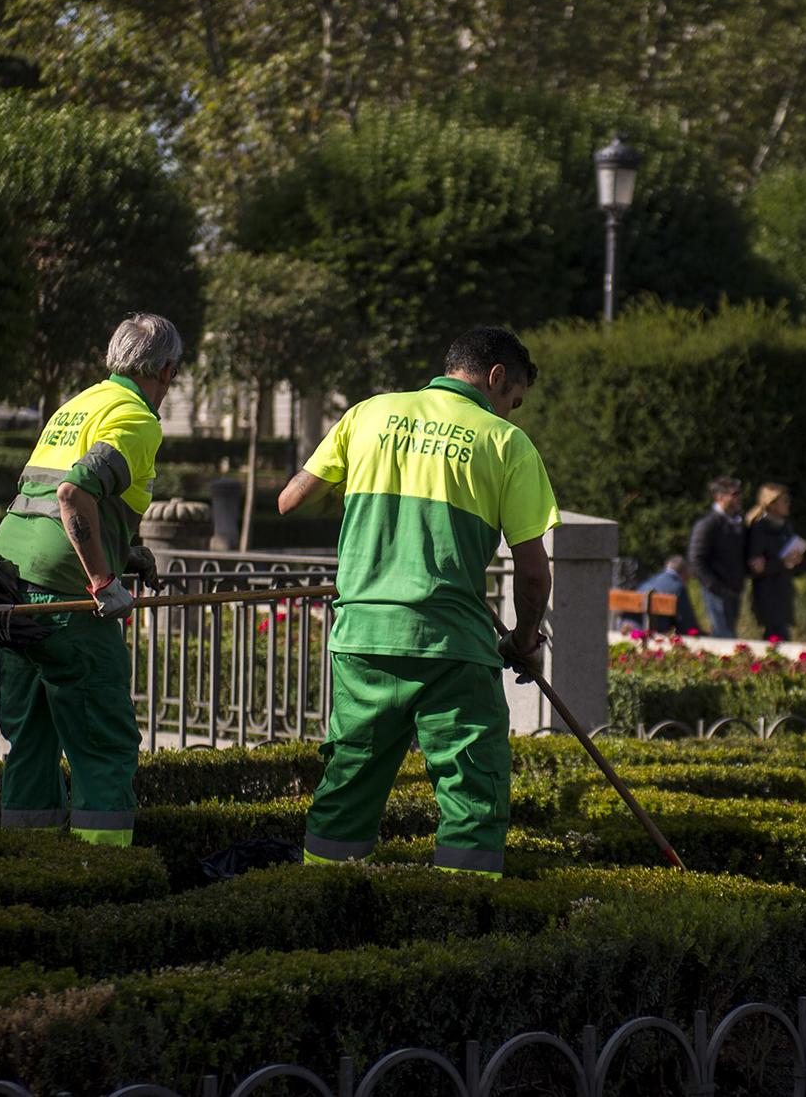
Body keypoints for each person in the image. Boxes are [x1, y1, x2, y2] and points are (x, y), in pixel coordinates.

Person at [278, 326, 559, 878]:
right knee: (473, 792)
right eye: (513, 401)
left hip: (363, 637)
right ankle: (459, 920)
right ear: (496, 377)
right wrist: (525, 641)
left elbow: (290, 501)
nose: (511, 413)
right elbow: (531, 574)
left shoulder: (368, 414)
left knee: (350, 780)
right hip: (454, 646)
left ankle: (320, 898)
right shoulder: (506, 444)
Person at [0, 313, 180, 844]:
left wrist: (124, 551)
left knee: (32, 738)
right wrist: (102, 581)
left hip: (7, 585)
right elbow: (73, 494)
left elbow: (45, 501)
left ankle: (28, 861)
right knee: (103, 740)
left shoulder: (76, 405)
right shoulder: (137, 418)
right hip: (65, 593)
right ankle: (102, 875)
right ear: (164, 369)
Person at [686, 476, 747, 638]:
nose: (739, 497)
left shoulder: (736, 522)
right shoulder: (708, 524)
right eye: (735, 494)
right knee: (724, 636)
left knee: (729, 634)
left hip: (733, 588)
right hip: (717, 591)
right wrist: (713, 585)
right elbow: (695, 559)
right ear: (719, 496)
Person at [745, 483, 806, 641]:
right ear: (771, 504)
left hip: (783, 589)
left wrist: (795, 560)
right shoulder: (759, 528)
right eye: (784, 500)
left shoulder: (786, 526)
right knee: (775, 637)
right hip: (767, 593)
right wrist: (782, 562)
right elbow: (757, 567)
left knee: (782, 635)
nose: (788, 503)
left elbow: (788, 560)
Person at [622, 555, 699, 634]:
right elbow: (686, 621)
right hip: (656, 632)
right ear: (684, 572)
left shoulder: (650, 580)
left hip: (630, 624)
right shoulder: (678, 587)